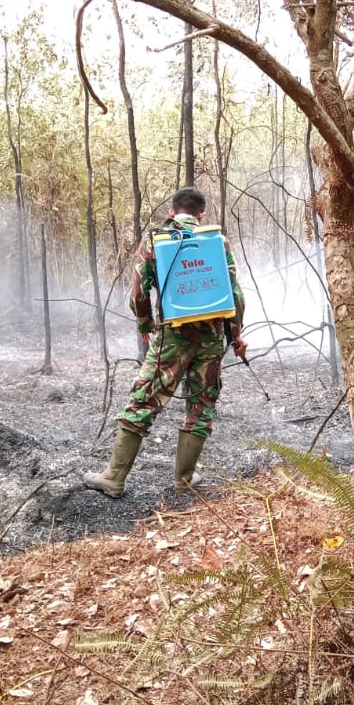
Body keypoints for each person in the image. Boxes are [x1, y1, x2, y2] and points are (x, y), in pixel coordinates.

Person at [83, 186, 246, 498]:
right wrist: (235, 335)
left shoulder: (157, 239)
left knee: (144, 399)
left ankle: (114, 477)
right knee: (201, 405)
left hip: (173, 336)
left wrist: (144, 322)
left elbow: (138, 291)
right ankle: (184, 479)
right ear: (201, 216)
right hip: (211, 340)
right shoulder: (216, 241)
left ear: (172, 213)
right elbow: (234, 294)